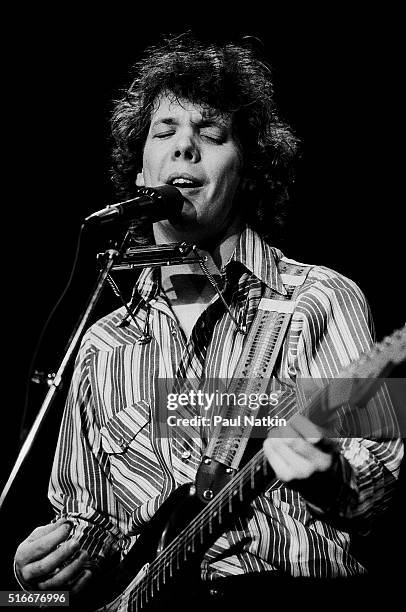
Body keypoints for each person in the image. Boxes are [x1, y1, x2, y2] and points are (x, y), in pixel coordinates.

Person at [14, 33, 402, 609]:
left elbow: (384, 474)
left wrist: (325, 476)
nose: (184, 148)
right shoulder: (102, 344)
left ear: (249, 169)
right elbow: (89, 522)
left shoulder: (316, 299)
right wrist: (49, 566)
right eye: (164, 132)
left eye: (211, 134)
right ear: (141, 168)